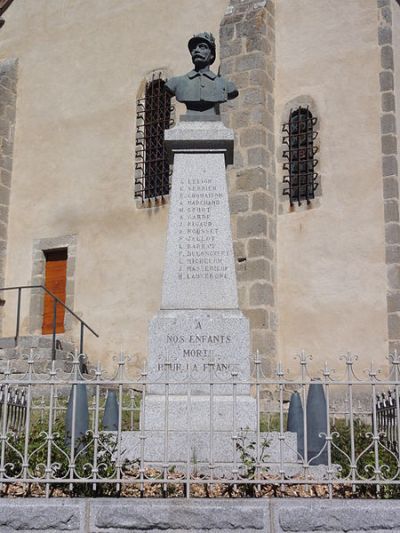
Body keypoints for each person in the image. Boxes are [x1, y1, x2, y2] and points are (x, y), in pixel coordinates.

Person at [165, 32, 238, 119]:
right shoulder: (176, 83)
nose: (196, 50)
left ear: (211, 55)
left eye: (202, 47)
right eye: (193, 48)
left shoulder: (226, 85)